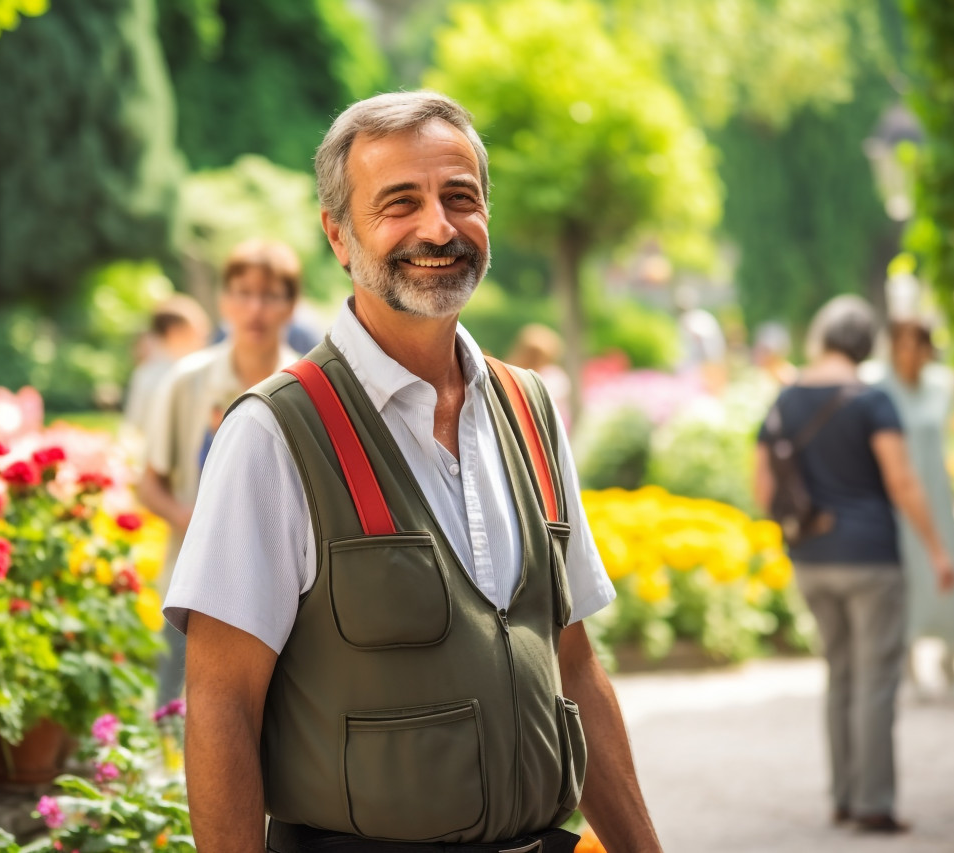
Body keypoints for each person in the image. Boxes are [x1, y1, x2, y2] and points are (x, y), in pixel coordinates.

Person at [164, 91, 661, 853]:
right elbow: (222, 703)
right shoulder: (275, 432)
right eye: (400, 202)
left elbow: (574, 664)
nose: (438, 227)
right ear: (339, 234)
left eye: (460, 197)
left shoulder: (530, 410)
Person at [754, 295, 954, 834]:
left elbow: (762, 488)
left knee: (839, 673)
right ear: (867, 343)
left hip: (811, 560)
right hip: (870, 559)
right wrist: (938, 548)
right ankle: (873, 803)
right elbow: (903, 481)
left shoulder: (783, 400)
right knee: (876, 680)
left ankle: (843, 797)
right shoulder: (872, 400)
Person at [138, 240, 301, 705]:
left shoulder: (305, 386)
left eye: (270, 296)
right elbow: (150, 483)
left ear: (290, 305)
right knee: (176, 722)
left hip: (284, 595)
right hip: (191, 587)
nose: (255, 308)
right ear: (223, 300)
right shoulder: (186, 382)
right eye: (243, 292)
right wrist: (202, 525)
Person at [879, 320, 954, 694]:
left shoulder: (939, 386)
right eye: (902, 345)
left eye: (916, 345)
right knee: (908, 579)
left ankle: (952, 656)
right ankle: (908, 663)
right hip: (898, 501)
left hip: (937, 497)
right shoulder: (878, 387)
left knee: (952, 578)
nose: (909, 354)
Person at [123, 294, 211, 433]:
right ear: (173, 332)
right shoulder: (187, 373)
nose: (205, 334)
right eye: (198, 328)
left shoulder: (145, 374)